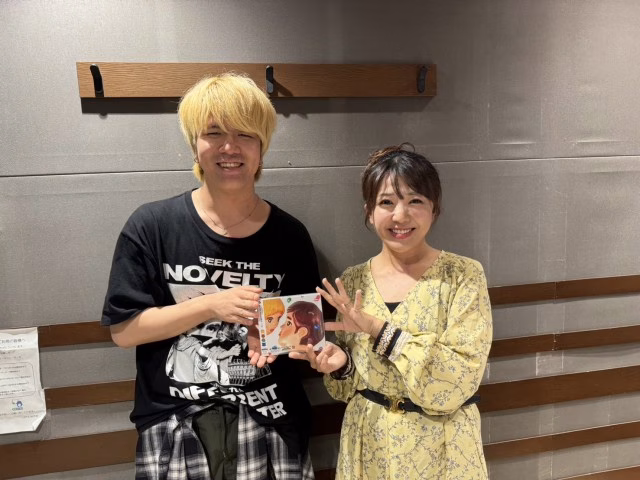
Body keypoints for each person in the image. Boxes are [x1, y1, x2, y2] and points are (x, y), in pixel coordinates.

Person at [102, 73, 320, 480]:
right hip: (175, 422)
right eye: (214, 133)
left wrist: (269, 333)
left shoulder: (289, 235)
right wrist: (211, 306)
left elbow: (307, 335)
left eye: (245, 134)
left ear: (262, 147)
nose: (229, 147)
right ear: (194, 145)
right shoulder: (152, 225)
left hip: (271, 421)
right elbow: (124, 331)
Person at [291, 144, 492, 479]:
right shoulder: (353, 280)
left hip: (442, 448)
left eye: (416, 201)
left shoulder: (463, 275)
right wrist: (341, 366)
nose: (400, 215)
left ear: (435, 209)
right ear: (369, 212)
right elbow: (350, 386)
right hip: (369, 442)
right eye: (386, 202)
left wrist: (377, 329)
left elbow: (458, 379)